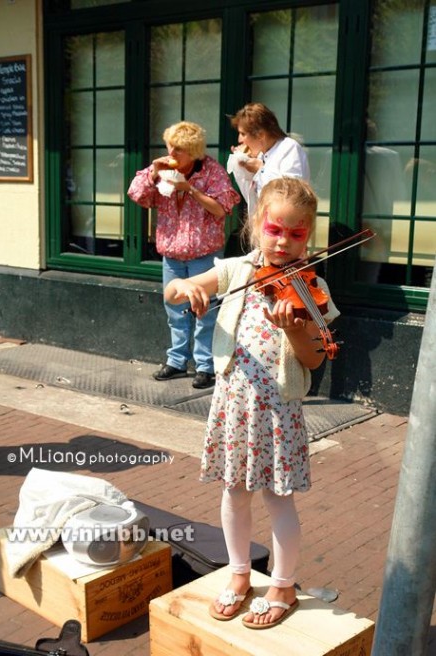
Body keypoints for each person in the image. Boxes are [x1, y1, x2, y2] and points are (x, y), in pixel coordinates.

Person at [164, 177, 340, 629]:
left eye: (296, 234)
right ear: (257, 224)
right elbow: (175, 290)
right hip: (234, 404)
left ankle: (283, 584)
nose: (283, 242)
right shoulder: (237, 270)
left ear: (309, 235)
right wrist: (188, 287)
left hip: (278, 411)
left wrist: (295, 328)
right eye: (275, 229)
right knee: (233, 493)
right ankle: (239, 573)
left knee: (278, 500)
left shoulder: (310, 287)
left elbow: (313, 360)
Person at [127, 121, 240, 389]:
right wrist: (153, 172)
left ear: (194, 151)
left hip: (204, 254)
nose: (172, 152)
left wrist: (189, 189)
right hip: (172, 254)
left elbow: (221, 209)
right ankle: (177, 361)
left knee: (205, 311)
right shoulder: (164, 167)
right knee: (175, 310)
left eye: (179, 149)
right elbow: (136, 194)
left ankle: (205, 366)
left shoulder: (212, 171)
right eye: (170, 146)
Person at [228, 102, 310, 217]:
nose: (239, 140)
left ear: (261, 135)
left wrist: (260, 169)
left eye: (243, 134)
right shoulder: (262, 154)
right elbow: (251, 199)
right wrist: (241, 165)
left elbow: (291, 193)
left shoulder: (289, 148)